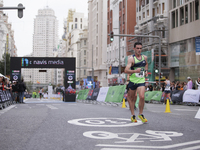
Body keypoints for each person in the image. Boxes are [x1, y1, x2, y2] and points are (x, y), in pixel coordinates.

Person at [124, 42, 148, 123]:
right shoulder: (131, 59)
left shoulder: (144, 57)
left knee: (142, 96)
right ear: (134, 49)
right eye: (137, 48)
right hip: (133, 81)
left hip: (141, 80)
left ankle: (141, 114)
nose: (139, 50)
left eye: (140, 48)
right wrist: (135, 71)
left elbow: (146, 64)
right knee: (132, 98)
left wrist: (146, 71)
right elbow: (126, 70)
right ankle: (133, 115)